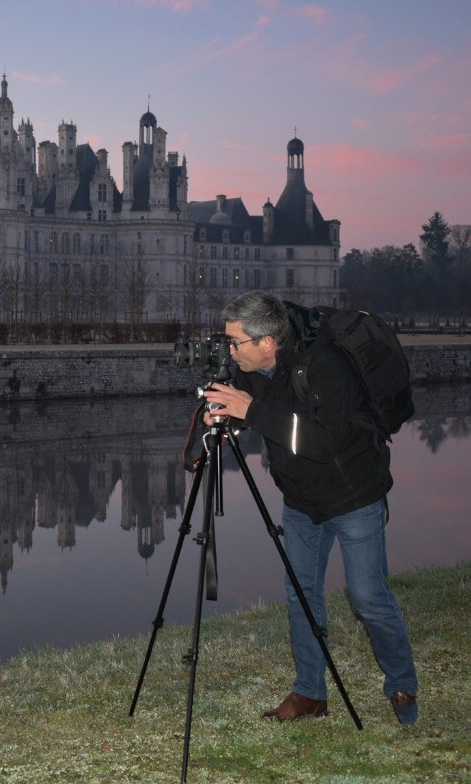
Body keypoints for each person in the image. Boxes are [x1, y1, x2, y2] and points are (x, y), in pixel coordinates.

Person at [203, 290, 418, 725]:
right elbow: (257, 415)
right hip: (301, 502)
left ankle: (401, 683)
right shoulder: (252, 369)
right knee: (301, 594)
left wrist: (253, 411)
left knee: (368, 597)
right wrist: (223, 418)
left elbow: (321, 443)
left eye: (235, 342)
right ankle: (310, 694)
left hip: (353, 496)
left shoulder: (327, 367)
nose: (228, 351)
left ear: (268, 342)